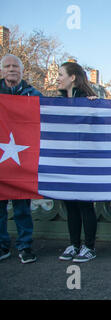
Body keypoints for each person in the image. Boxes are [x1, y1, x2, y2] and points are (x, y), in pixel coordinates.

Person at [55, 62, 98, 263]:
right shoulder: (57, 102)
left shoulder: (88, 99)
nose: (57, 78)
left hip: (86, 160)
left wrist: (97, 106)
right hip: (66, 159)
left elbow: (99, 125)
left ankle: (89, 247)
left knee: (84, 203)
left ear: (72, 77)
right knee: (69, 203)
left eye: (60, 74)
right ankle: (74, 244)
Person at [0, 54, 41, 264]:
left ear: (22, 71)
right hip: (1, 161)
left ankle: (25, 246)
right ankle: (1, 246)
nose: (11, 69)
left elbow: (49, 113)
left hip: (23, 160)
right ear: (1, 71)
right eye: (7, 66)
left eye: (15, 66)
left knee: (22, 208)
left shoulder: (33, 94)